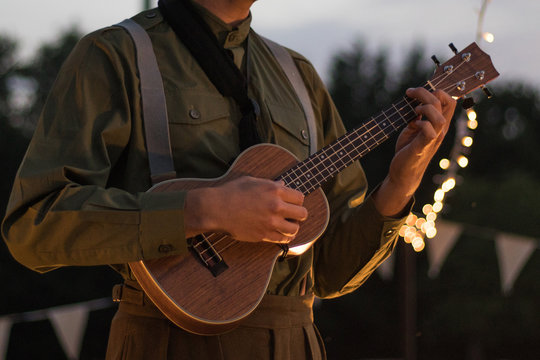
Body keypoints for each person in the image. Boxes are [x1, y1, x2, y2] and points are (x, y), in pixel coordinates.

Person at [1, 0, 456, 358]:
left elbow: (332, 273)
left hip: (296, 342)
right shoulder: (115, 55)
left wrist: (402, 179)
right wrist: (203, 209)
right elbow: (33, 225)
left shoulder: (299, 77)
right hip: (167, 343)